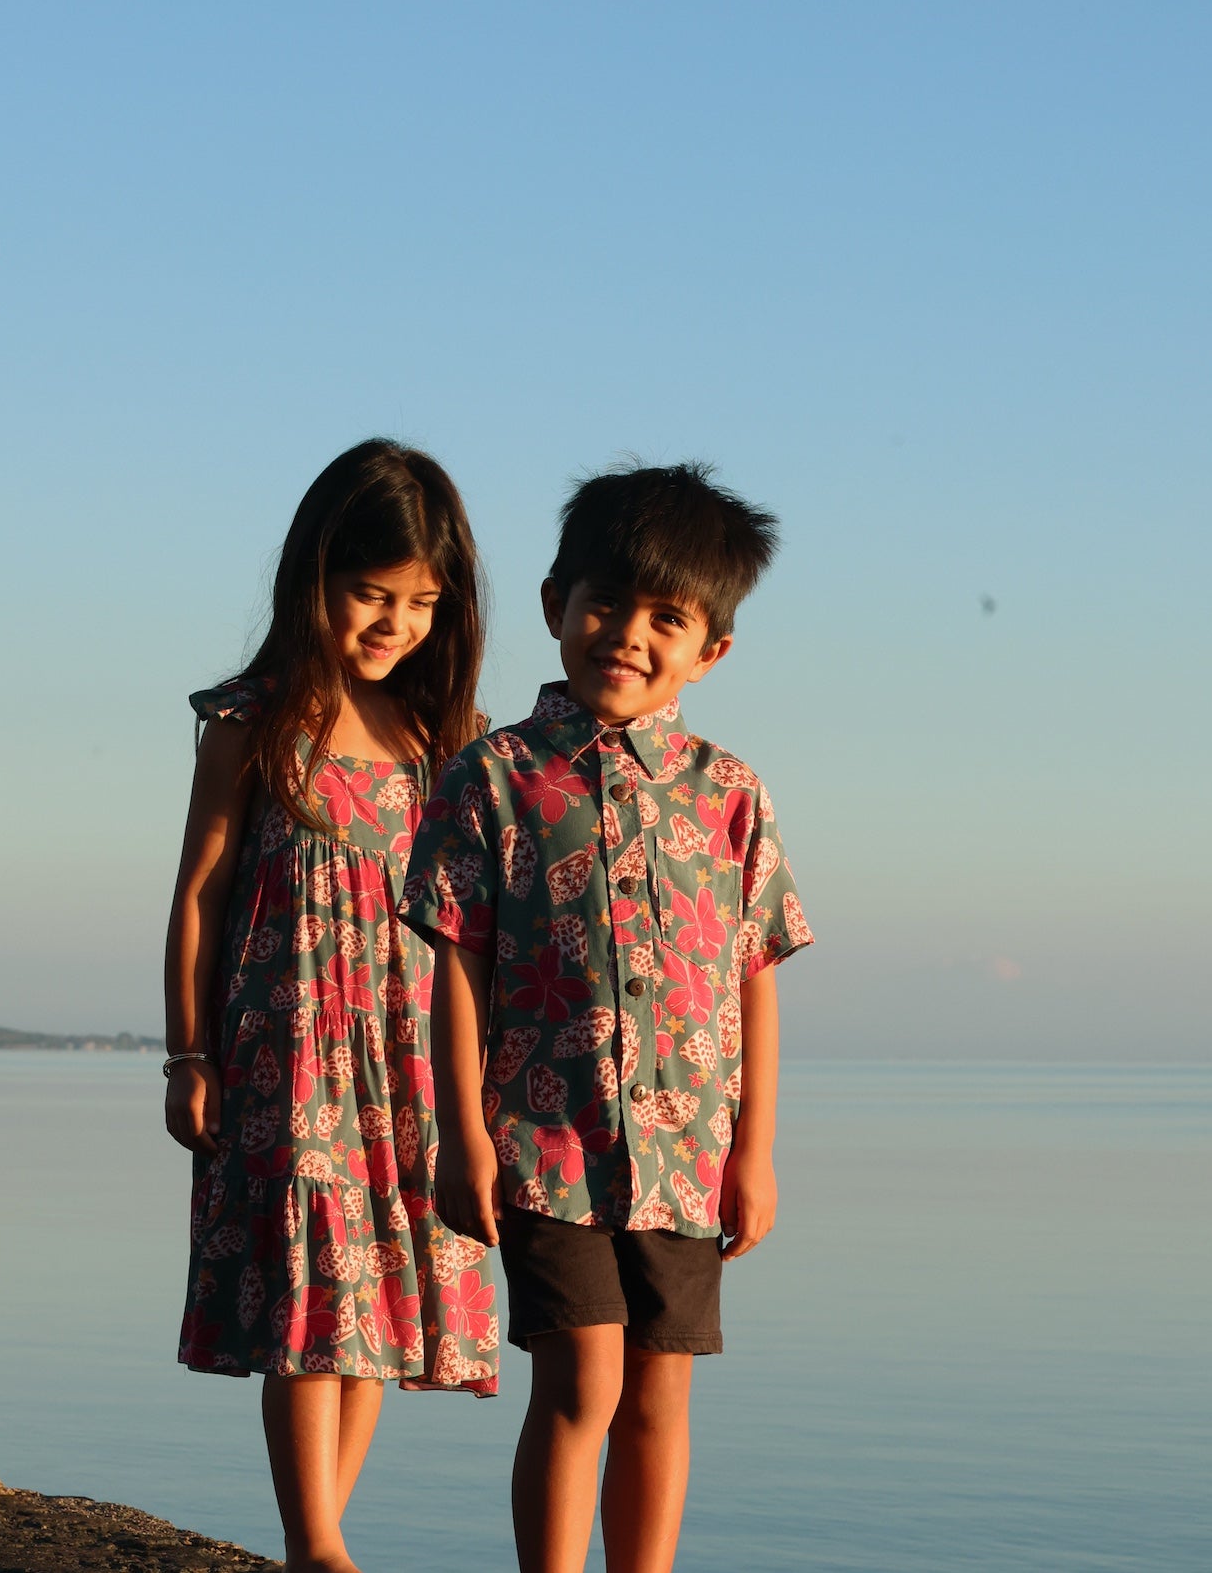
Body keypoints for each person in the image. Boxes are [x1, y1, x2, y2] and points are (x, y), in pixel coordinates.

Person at [402, 462, 813, 1573]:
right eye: (607, 604)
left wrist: (755, 1153)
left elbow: (753, 977)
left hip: (687, 1152)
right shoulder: (492, 777)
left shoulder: (730, 792)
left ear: (710, 650)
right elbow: (457, 966)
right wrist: (462, 1136)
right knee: (582, 1378)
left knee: (658, 1391)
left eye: (666, 618)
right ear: (556, 606)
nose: (629, 635)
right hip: (545, 1143)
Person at [164, 438, 499, 1573]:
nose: (396, 623)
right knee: (310, 1301)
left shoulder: (442, 741)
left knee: (371, 1307)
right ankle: (314, 1545)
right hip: (291, 1048)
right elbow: (201, 894)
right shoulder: (255, 722)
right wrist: (188, 1055)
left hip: (407, 1058)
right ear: (315, 578)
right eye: (371, 593)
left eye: (421, 602)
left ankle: (322, 1540)